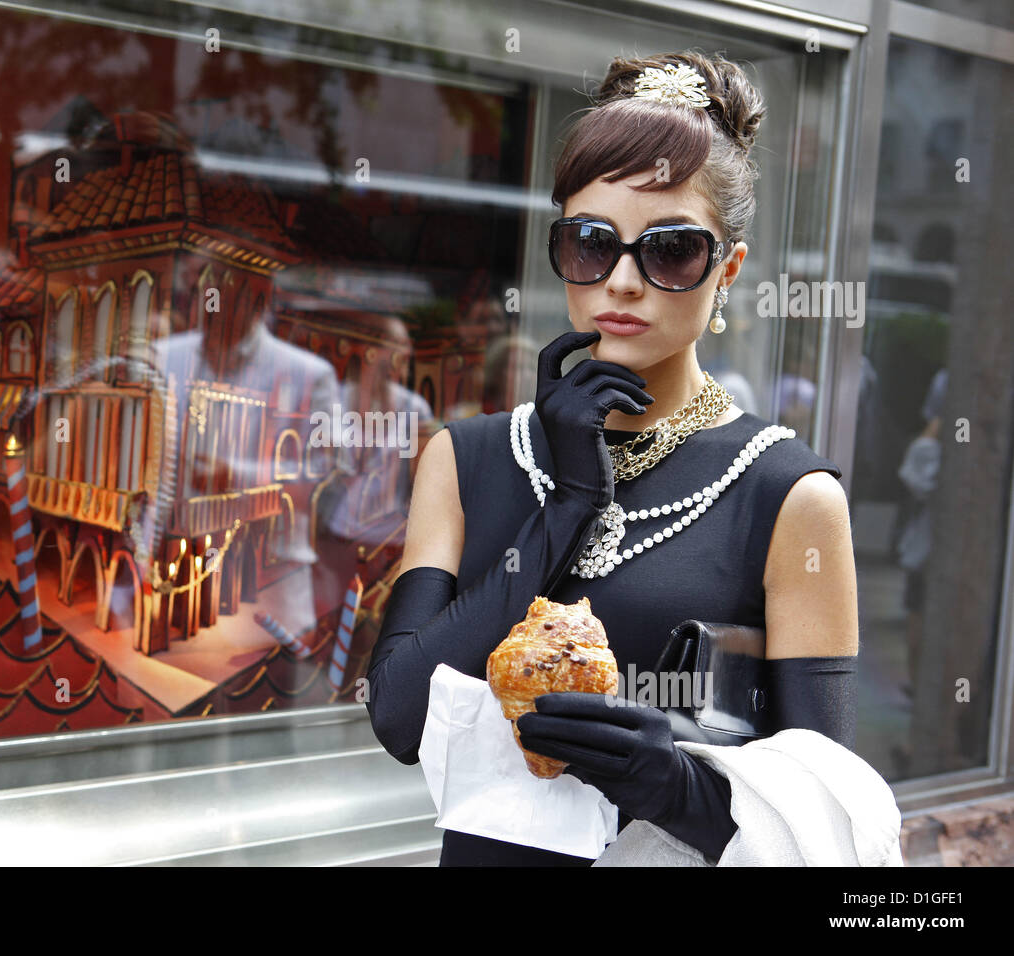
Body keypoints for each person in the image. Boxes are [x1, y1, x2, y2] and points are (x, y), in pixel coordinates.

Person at [365, 51, 859, 866]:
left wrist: (670, 783)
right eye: (593, 243)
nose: (622, 282)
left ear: (727, 270)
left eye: (669, 251)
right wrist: (566, 504)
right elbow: (400, 721)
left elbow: (829, 827)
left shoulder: (787, 493)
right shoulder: (467, 455)